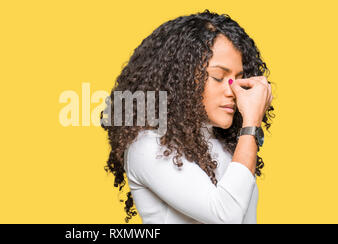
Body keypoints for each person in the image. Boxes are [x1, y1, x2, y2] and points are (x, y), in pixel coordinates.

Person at [101, 9, 274, 224]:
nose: (233, 90)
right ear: (181, 78)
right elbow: (226, 216)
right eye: (219, 77)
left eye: (239, 79)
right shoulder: (149, 144)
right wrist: (251, 125)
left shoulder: (227, 143)